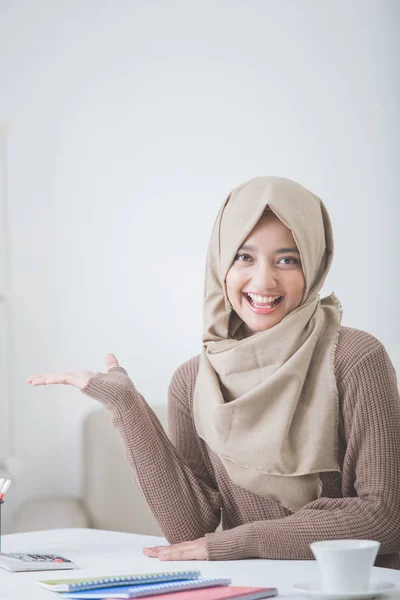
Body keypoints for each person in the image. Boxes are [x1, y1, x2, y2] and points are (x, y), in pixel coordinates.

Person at [27, 176, 400, 568]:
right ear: (220, 263)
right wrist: (125, 404)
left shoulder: (356, 358)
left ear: (315, 262)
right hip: (258, 590)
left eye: (287, 259)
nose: (264, 280)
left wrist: (239, 542)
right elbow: (190, 529)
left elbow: (384, 515)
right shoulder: (193, 381)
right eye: (244, 257)